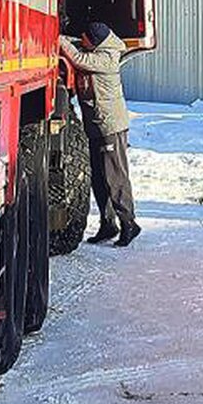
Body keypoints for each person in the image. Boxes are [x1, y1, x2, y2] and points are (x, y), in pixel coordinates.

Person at [59, 21, 141, 247]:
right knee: (99, 177)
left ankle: (129, 223)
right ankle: (108, 224)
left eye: (85, 39)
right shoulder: (98, 48)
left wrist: (58, 39)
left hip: (109, 127)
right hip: (96, 125)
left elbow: (79, 59)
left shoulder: (107, 57)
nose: (82, 41)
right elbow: (79, 48)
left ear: (95, 41)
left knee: (115, 177)